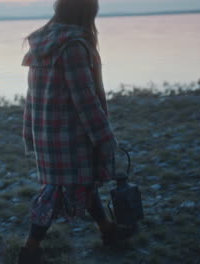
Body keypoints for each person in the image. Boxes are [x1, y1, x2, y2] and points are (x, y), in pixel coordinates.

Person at [18, 0, 133, 263]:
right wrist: (105, 139)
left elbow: (31, 96)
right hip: (70, 135)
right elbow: (85, 98)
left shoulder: (43, 42)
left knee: (83, 182)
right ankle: (29, 250)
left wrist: (29, 132)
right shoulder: (72, 46)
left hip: (48, 132)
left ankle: (107, 230)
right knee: (55, 191)